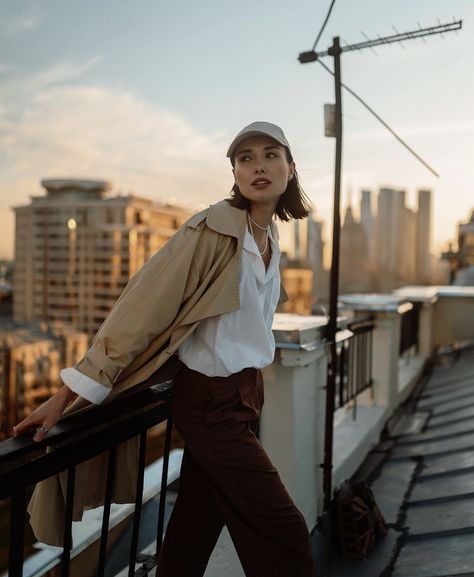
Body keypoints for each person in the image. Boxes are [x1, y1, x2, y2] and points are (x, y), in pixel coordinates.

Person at [13, 121, 315, 576]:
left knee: (197, 525)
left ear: (291, 169)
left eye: (271, 155)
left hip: (246, 396)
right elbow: (140, 309)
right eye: (245, 158)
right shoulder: (211, 230)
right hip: (211, 403)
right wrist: (64, 395)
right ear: (233, 172)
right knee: (284, 532)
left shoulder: (269, 239)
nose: (258, 166)